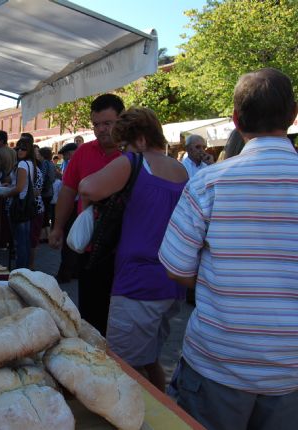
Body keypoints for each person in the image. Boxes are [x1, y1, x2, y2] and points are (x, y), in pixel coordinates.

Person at [159, 68, 298, 430]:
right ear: (293, 114)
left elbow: (175, 268)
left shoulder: (209, 182)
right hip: (290, 370)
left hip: (218, 361)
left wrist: (224, 282)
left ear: (236, 121)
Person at [79, 107, 188, 391]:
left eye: (124, 145)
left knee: (122, 367)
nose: (122, 151)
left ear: (139, 140)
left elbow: (87, 187)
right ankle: (163, 411)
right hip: (171, 281)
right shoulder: (181, 170)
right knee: (151, 358)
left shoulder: (133, 162)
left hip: (136, 283)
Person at [49, 93, 125, 335]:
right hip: (91, 247)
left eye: (107, 123)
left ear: (121, 120)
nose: (101, 130)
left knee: (121, 316)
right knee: (91, 313)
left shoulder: (133, 153)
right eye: (96, 125)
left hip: (124, 248)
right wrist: (58, 227)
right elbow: (68, 192)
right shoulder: (83, 152)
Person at [3, 136, 38, 268]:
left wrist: (5, 193)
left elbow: (19, 188)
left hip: (19, 206)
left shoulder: (23, 164)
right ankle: (24, 271)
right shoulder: (31, 163)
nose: (20, 151)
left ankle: (20, 271)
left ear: (28, 150)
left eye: (23, 149)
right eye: (18, 148)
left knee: (20, 243)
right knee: (24, 241)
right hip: (26, 206)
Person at [29, 144, 45, 269]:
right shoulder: (35, 168)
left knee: (32, 238)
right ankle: (30, 265)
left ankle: (30, 265)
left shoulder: (35, 169)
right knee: (31, 238)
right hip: (36, 207)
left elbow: (37, 191)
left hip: (34, 208)